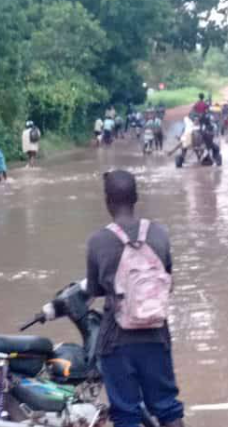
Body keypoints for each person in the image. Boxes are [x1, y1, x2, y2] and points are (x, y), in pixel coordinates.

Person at [86, 170, 184, 427]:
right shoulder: (160, 233)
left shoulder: (98, 241)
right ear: (136, 197)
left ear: (107, 201)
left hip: (116, 342)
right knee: (168, 409)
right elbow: (168, 283)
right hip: (156, 336)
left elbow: (94, 290)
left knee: (125, 414)